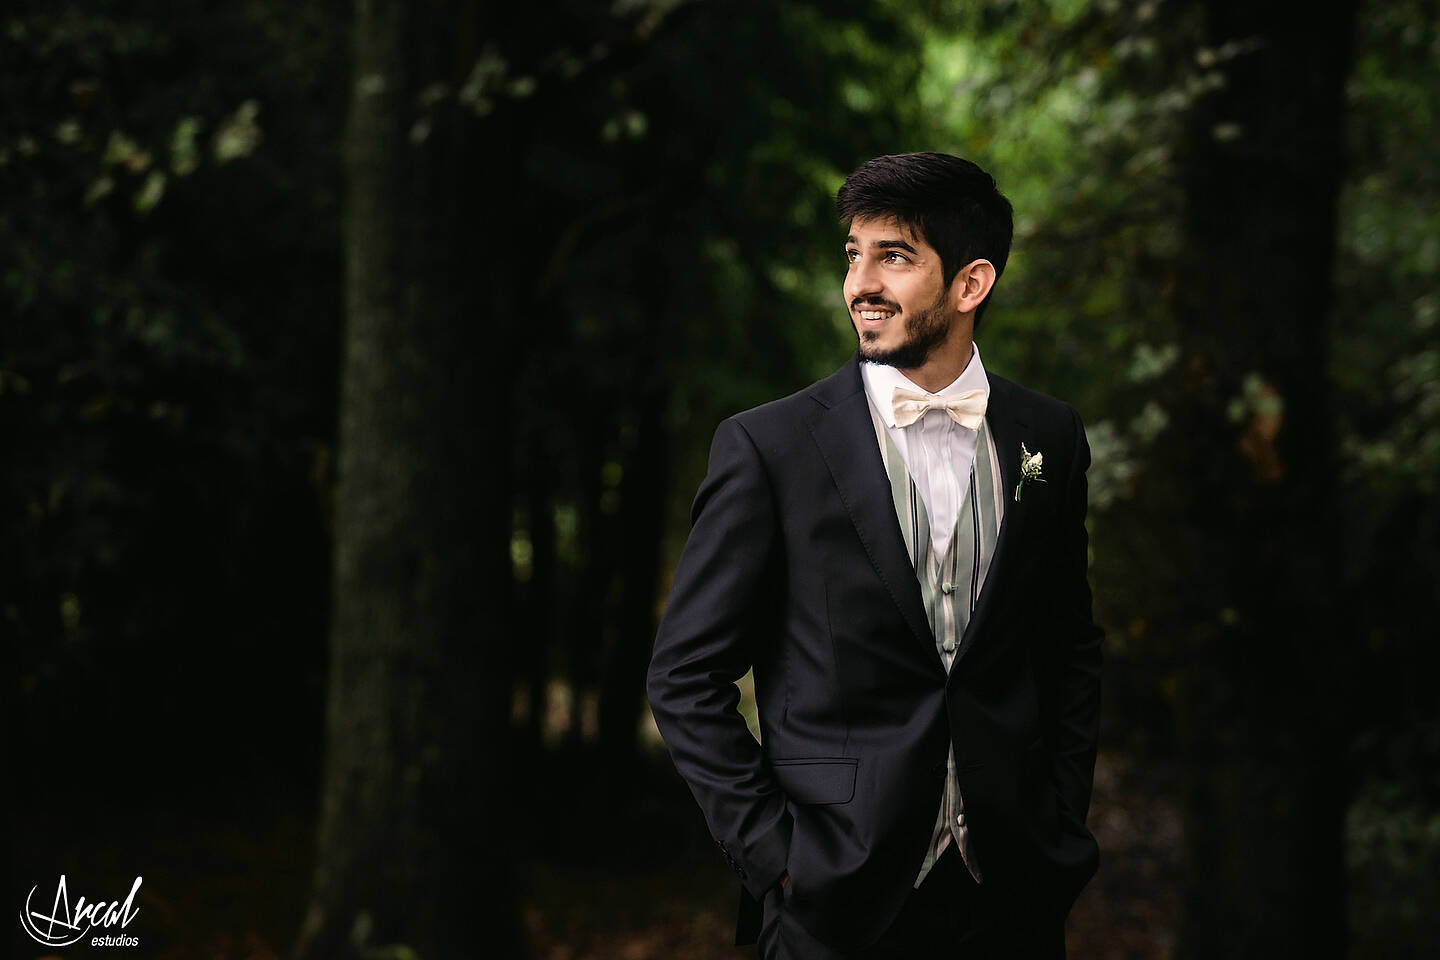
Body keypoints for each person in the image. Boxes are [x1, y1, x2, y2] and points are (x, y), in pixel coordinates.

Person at [645, 152, 1102, 958]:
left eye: (893, 256)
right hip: (832, 901)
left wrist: (1059, 826)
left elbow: (1068, 650)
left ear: (970, 285)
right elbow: (684, 675)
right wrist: (774, 857)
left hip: (1012, 899)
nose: (860, 282)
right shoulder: (769, 447)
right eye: (853, 254)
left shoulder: (1050, 439)